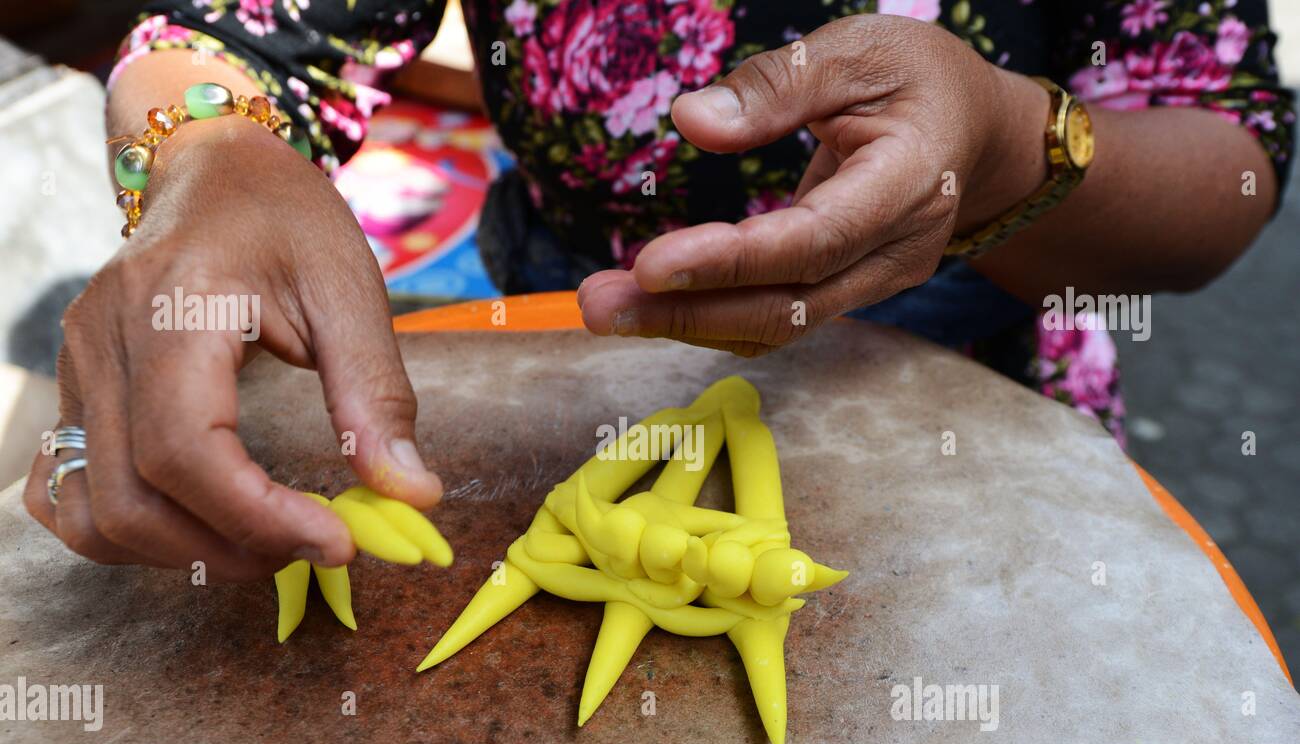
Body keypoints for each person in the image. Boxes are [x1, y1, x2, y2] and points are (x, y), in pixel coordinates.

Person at [24, 0, 1293, 580]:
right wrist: (209, 155)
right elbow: (229, 38)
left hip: (978, 397)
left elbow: (1222, 161)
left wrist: (1013, 148)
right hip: (540, 369)